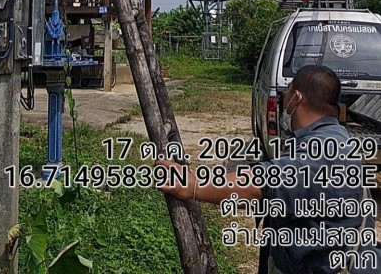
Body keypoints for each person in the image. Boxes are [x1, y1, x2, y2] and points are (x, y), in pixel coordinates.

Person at [158, 65, 380, 273]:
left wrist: (194, 185)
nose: (284, 101)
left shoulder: (321, 152)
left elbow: (260, 183)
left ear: (296, 98)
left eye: (287, 94)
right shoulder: (334, 136)